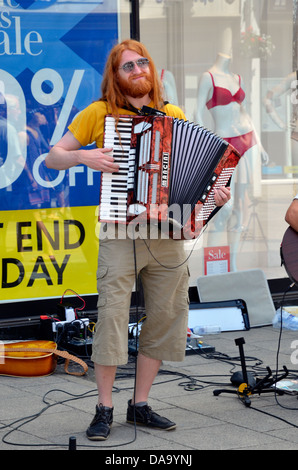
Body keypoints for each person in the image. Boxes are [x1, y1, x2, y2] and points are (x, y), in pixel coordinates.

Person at [45, 39, 231, 441]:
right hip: (118, 231)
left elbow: (192, 185)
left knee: (166, 317)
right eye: (127, 66)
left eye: (141, 63)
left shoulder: (174, 115)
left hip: (166, 235)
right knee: (112, 316)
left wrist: (211, 201)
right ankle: (104, 407)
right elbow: (52, 156)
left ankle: (140, 405)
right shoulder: (99, 114)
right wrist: (84, 157)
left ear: (151, 70)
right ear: (116, 76)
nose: (136, 71)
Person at [196, 51, 268, 271]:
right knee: (223, 206)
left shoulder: (237, 78)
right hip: (224, 142)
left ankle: (233, 264)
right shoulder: (208, 76)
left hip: (247, 139)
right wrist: (207, 142)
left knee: (240, 206)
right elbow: (197, 111)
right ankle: (216, 263)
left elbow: (245, 113)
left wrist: (261, 144)